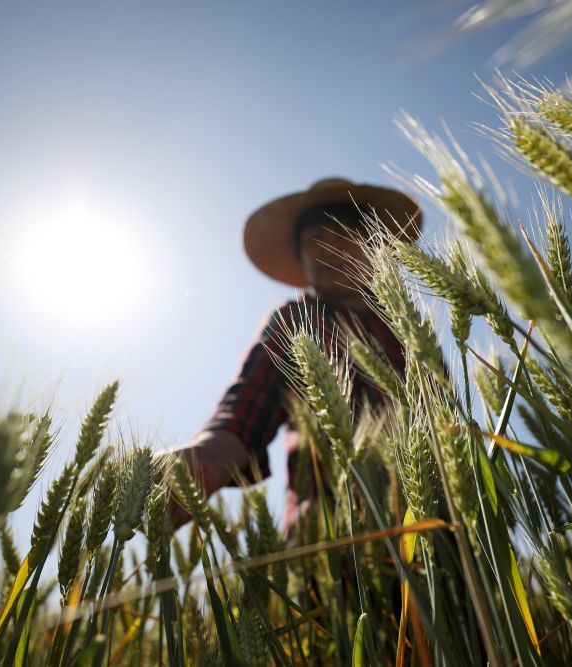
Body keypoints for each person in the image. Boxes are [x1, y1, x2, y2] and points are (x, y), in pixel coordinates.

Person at [167, 177, 423, 531]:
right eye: (314, 241)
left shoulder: (410, 329)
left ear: (372, 245)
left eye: (342, 234)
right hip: (330, 546)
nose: (328, 249)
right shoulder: (295, 321)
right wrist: (203, 460)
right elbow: (244, 413)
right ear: (302, 258)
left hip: (442, 540)